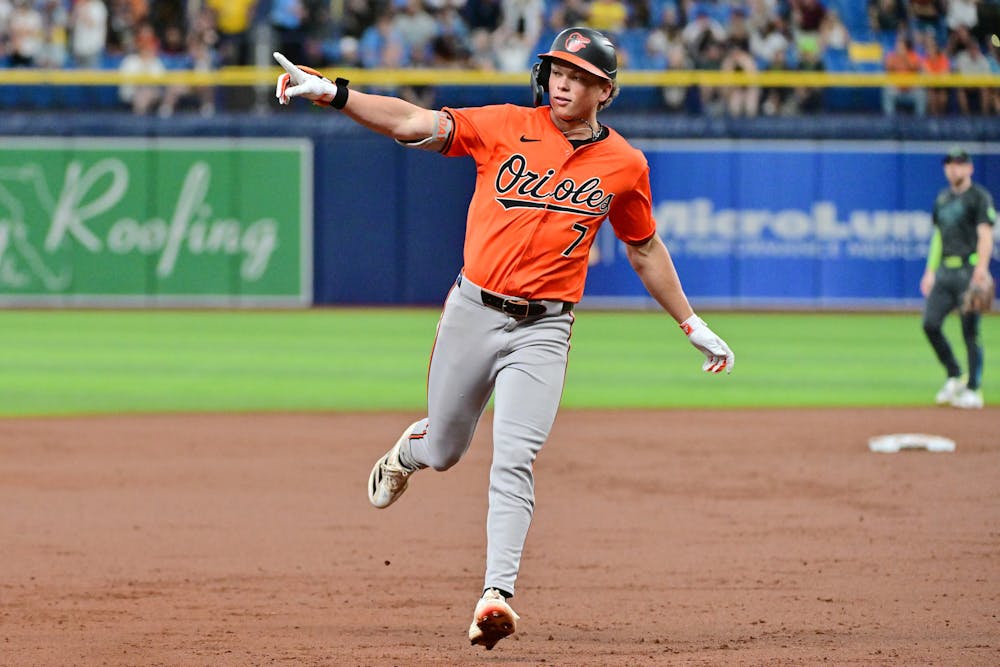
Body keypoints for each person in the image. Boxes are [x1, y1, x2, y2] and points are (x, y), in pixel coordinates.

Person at [274, 26, 735, 650]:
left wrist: (691, 322)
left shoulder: (625, 165)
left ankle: (496, 596)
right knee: (444, 450)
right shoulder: (503, 125)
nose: (563, 83)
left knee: (515, 457)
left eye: (578, 76)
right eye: (556, 71)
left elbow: (644, 247)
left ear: (605, 90)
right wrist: (333, 92)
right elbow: (413, 123)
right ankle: (410, 451)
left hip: (545, 328)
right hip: (472, 311)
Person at [920, 147, 997, 409]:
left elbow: (985, 235)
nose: (954, 168)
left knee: (970, 332)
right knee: (930, 324)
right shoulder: (942, 199)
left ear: (970, 168)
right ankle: (954, 375)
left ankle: (974, 390)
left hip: (969, 269)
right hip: (944, 271)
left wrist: (982, 269)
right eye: (950, 164)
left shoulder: (979, 198)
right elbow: (938, 237)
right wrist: (930, 270)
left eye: (960, 164)